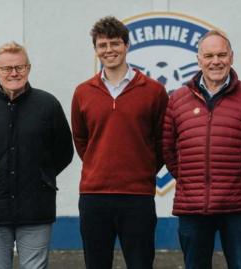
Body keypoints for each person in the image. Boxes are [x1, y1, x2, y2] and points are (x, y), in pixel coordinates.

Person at [162, 30, 241, 269]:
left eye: (221, 55)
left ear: (232, 57)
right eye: (209, 55)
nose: (215, 61)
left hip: (239, 207)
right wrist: (190, 181)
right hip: (192, 207)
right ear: (199, 60)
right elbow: (168, 149)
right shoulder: (177, 100)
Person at [0, 41, 73, 269]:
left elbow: (64, 151)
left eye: (19, 67)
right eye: (7, 68)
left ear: (28, 68)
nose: (14, 73)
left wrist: (41, 175)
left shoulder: (48, 105)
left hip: (37, 206)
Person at [71, 16, 168, 269]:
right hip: (94, 196)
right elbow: (81, 140)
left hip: (137, 196)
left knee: (140, 264)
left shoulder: (154, 91)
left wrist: (142, 168)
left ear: (126, 45)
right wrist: (99, 164)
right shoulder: (83, 92)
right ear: (96, 50)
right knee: (96, 264)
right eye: (102, 45)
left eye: (115, 43)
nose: (109, 50)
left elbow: (162, 141)